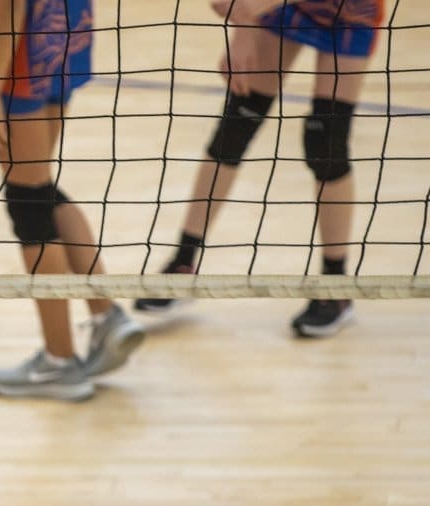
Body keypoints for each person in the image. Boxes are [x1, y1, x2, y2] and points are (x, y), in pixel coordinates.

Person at [135, 0, 385, 337]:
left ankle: (335, 287)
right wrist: (243, 28)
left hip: (350, 12)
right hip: (285, 7)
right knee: (238, 122)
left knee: (326, 142)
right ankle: (183, 262)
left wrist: (246, 13)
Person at [0, 0, 145, 401]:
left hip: (22, 49)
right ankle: (105, 316)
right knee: (38, 189)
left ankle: (59, 360)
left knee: (28, 200)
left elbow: (10, 6)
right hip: (61, 28)